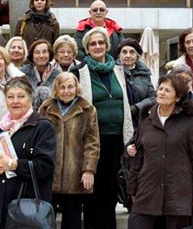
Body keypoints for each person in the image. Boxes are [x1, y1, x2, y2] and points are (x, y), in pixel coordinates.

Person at [71, 26, 133, 229]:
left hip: (116, 138)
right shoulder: (78, 71)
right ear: (86, 48)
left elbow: (126, 99)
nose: (97, 46)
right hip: (92, 139)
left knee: (110, 188)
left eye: (101, 42)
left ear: (107, 46)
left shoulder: (118, 69)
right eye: (92, 43)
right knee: (92, 189)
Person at [127, 74, 193, 229]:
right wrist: (132, 188)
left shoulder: (190, 120)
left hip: (177, 193)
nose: (161, 92)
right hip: (147, 190)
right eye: (160, 88)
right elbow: (139, 156)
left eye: (167, 90)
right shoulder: (147, 117)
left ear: (177, 98)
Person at [0, 76, 56, 228]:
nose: (15, 101)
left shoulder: (42, 127)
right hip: (1, 204)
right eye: (10, 97)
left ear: (30, 99)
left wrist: (13, 164)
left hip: (28, 207)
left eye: (21, 96)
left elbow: (45, 167)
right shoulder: (0, 129)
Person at [38, 72, 100, 229]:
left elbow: (92, 142)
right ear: (57, 90)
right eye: (62, 87)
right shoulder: (46, 108)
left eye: (70, 87)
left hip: (74, 172)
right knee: (45, 218)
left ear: (76, 88)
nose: (66, 91)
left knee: (72, 219)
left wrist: (88, 170)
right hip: (49, 172)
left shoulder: (87, 109)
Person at [117, 38, 156, 125]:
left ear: (137, 56)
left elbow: (152, 97)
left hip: (141, 119)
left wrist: (136, 107)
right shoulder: (114, 72)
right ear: (120, 55)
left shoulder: (145, 74)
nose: (128, 55)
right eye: (124, 52)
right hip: (119, 120)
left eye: (132, 52)